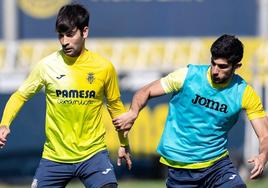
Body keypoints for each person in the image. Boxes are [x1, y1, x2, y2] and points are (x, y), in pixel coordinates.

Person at [0, 3, 131, 188]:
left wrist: (124, 143)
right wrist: (4, 123)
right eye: (61, 35)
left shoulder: (104, 67)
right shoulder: (46, 66)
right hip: (55, 157)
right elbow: (20, 95)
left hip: (92, 155)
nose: (64, 41)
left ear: (84, 32)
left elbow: (115, 108)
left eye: (70, 34)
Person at [113, 34, 268, 187]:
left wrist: (263, 156)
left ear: (236, 66)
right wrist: (133, 112)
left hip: (217, 166)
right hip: (181, 167)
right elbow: (145, 91)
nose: (215, 70)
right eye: (213, 63)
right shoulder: (187, 76)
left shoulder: (244, 93)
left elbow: (264, 135)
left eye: (222, 66)